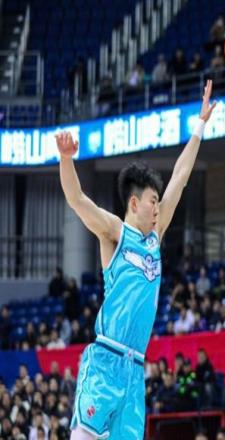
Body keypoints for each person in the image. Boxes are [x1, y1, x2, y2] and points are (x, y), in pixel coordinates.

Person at [55, 80, 216, 440]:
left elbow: (180, 177)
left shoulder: (155, 238)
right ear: (134, 203)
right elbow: (77, 199)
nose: (158, 208)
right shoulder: (114, 231)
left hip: (135, 369)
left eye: (159, 202)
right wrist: (66, 160)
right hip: (105, 359)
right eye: (153, 201)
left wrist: (200, 125)